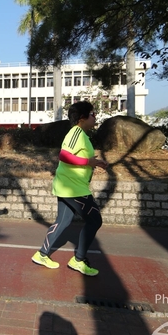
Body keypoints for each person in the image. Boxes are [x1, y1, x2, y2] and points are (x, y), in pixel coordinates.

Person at [31, 101, 108, 276]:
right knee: (95, 220)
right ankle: (78, 260)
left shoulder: (82, 135)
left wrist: (95, 163)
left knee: (63, 221)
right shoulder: (76, 133)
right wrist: (88, 162)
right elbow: (64, 155)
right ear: (82, 118)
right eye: (92, 114)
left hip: (70, 185)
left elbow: (79, 159)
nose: (95, 116)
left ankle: (41, 254)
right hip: (73, 188)